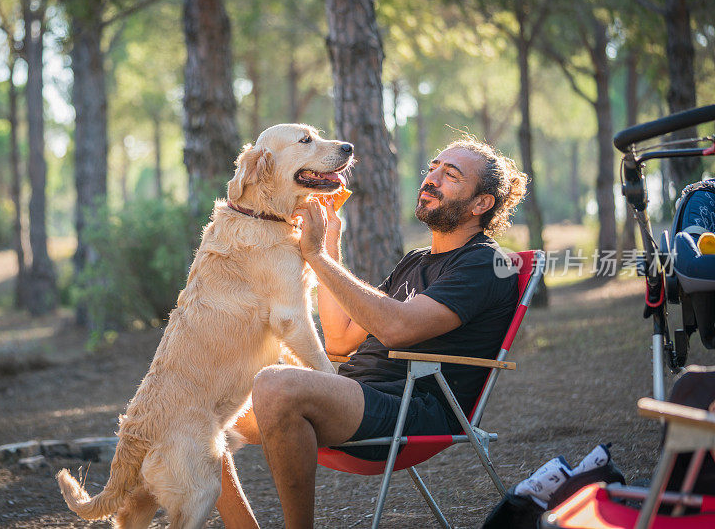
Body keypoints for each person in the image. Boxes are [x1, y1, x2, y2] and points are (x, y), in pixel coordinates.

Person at [216, 135, 528, 529]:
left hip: (411, 411)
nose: (431, 178)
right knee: (206, 400)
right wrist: (329, 242)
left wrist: (314, 256)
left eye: (450, 175)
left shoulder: (483, 263)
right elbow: (342, 339)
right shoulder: (416, 261)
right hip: (357, 396)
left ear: (482, 203)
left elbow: (396, 329)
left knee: (276, 385)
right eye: (433, 168)